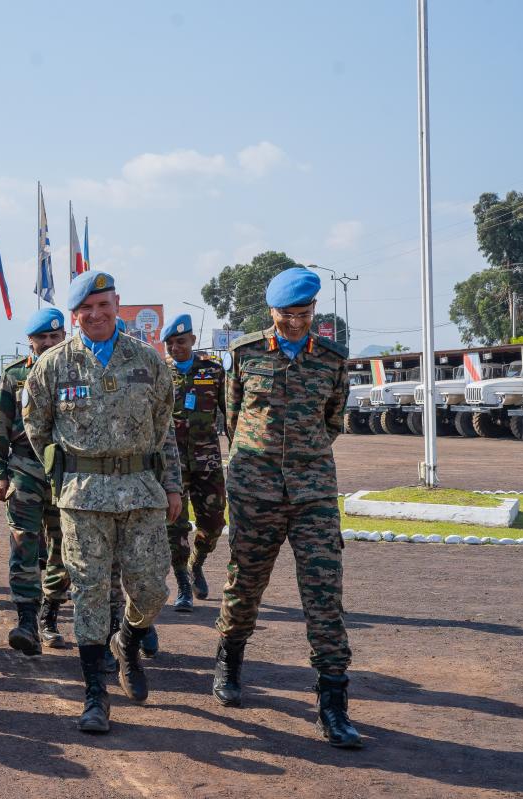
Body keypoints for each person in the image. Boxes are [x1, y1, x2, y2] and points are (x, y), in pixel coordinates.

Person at [23, 271, 182, 734]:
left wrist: (172, 486)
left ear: (117, 304)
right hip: (84, 497)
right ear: (75, 315)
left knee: (151, 589)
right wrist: (65, 477)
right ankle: (95, 694)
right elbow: (38, 430)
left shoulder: (148, 361)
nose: (95, 315)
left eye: (102, 304)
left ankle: (128, 640)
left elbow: (164, 430)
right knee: (89, 593)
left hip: (142, 492)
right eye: (85, 309)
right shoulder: (52, 365)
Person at [213, 267, 361, 749]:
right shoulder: (245, 354)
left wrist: (302, 459)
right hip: (254, 490)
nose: (295, 323)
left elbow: (332, 420)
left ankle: (333, 702)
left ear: (315, 311)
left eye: (304, 314)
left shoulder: (333, 359)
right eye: (286, 315)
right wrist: (254, 466)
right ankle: (229, 658)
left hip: (313, 491)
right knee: (246, 582)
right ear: (270, 313)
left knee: (324, 592)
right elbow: (233, 419)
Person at [0, 308, 70, 655]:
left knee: (64, 547)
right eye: (43, 338)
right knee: (23, 544)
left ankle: (49, 615)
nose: (49, 342)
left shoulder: (77, 370)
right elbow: (1, 425)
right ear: (31, 341)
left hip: (68, 471)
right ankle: (26, 620)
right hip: (25, 468)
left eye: (55, 336)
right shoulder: (13, 376)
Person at [161, 314, 228, 612]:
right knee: (173, 525)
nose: (176, 348)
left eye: (181, 341)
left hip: (208, 460)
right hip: (171, 463)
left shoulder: (213, 371)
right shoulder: (160, 373)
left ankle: (196, 562)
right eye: (170, 343)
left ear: (192, 340)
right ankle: (183, 586)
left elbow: (231, 414)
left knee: (213, 523)